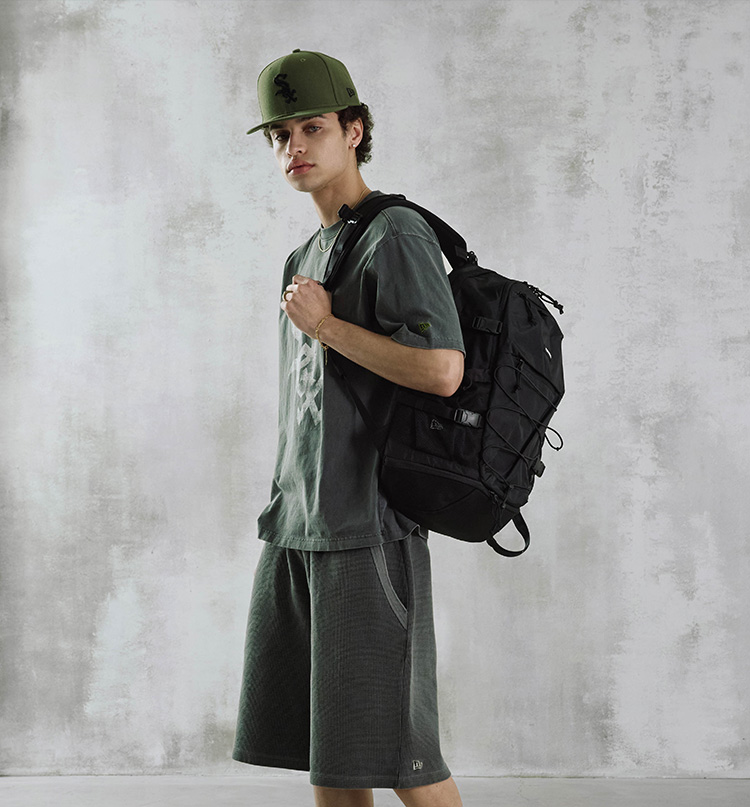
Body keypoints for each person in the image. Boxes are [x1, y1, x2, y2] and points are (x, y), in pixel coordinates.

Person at [233, 49, 465, 807]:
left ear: (355, 130)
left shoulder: (394, 233)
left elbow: (443, 370)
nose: (293, 147)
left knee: (404, 759)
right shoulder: (303, 256)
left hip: (368, 529)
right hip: (298, 528)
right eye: (279, 135)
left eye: (313, 128)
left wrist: (328, 327)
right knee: (331, 759)